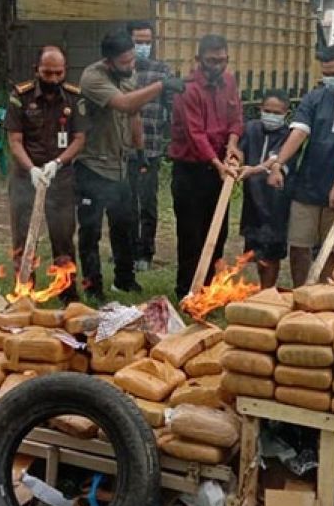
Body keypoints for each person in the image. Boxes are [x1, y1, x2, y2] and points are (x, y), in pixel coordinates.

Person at [78, 30, 186, 301]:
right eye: (125, 62)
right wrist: (161, 86)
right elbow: (125, 104)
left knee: (125, 223)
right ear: (109, 61)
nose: (131, 66)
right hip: (92, 164)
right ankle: (93, 287)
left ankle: (125, 280)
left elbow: (134, 114)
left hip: (121, 163)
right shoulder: (93, 77)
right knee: (91, 229)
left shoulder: (128, 75)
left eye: (132, 61)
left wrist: (139, 152)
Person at [262, 43, 334, 285]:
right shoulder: (314, 98)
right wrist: (278, 163)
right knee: (299, 244)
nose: (330, 79)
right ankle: (302, 291)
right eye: (326, 74)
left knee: (332, 248)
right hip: (308, 184)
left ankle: (324, 296)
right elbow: (299, 132)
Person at [4, 46, 86, 301]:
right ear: (36, 70)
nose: (52, 79)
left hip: (60, 179)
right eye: (47, 73)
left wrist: (58, 163)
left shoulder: (74, 98)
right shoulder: (20, 96)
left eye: (58, 73)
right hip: (25, 178)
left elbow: (79, 138)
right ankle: (24, 293)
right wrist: (32, 169)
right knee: (23, 239)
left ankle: (68, 296)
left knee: (63, 239)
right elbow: (15, 141)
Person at [168, 34, 244, 298]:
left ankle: (211, 289)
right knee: (191, 233)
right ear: (199, 59)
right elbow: (195, 133)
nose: (218, 66)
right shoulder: (187, 89)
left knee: (218, 231)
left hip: (219, 168)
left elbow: (236, 118)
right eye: (212, 61)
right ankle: (187, 290)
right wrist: (217, 163)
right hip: (190, 170)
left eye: (223, 60)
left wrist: (232, 146)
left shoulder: (230, 81)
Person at [238, 90, 297, 288]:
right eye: (267, 110)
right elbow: (240, 149)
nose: (271, 116)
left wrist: (254, 169)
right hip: (252, 199)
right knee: (255, 249)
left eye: (277, 112)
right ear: (260, 109)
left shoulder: (290, 136)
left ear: (286, 113)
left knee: (272, 251)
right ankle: (260, 288)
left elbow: (276, 161)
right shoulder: (251, 129)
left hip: (276, 202)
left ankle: (267, 291)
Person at [127, 20, 172, 272]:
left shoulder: (162, 71)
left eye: (147, 42)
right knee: (125, 203)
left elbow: (172, 106)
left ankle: (145, 253)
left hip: (152, 149)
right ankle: (128, 250)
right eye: (138, 42)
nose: (143, 47)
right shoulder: (122, 71)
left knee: (147, 203)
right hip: (124, 150)